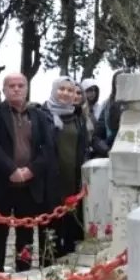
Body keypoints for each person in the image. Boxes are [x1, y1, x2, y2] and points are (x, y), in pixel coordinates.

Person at [0, 73, 54, 272]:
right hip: (2, 182)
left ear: (26, 88)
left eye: (20, 85)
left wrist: (31, 170)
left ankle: (24, 272)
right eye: (11, 85)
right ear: (3, 89)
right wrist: (11, 170)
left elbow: (47, 148)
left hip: (30, 184)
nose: (16, 89)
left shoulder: (39, 115)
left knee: (26, 232)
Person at [42, 77, 90, 258]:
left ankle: (68, 269)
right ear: (55, 90)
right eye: (62, 89)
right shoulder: (43, 115)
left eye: (70, 90)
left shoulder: (77, 118)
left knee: (70, 226)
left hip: (72, 180)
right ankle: (48, 266)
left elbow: (83, 147)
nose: (66, 93)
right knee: (51, 229)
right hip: (51, 181)